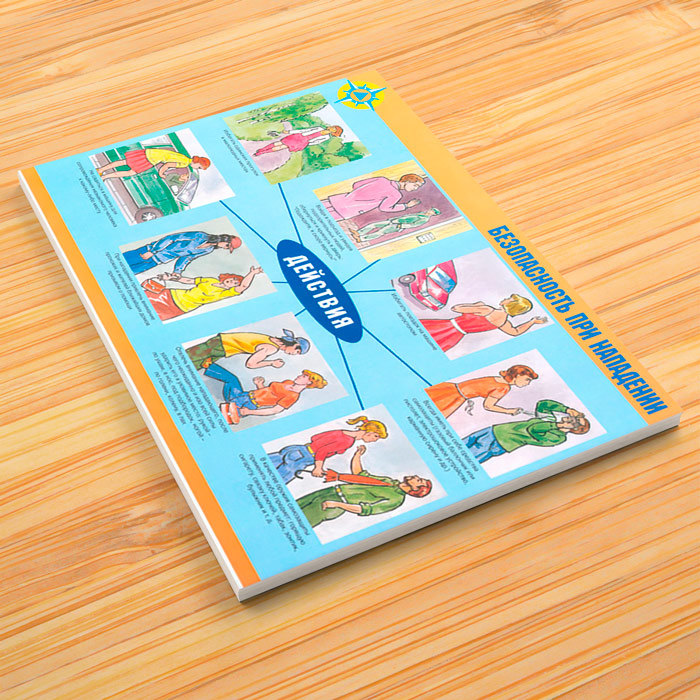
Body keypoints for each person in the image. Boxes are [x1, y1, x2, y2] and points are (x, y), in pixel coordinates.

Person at [296, 445, 432, 528]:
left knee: (299, 523)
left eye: (418, 480)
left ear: (415, 489)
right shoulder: (389, 481)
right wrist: (357, 455)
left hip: (334, 503)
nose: (416, 476)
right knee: (293, 508)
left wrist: (337, 504)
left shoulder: (396, 500)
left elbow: (365, 509)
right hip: (329, 491)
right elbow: (360, 475)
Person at [267, 415, 388, 484]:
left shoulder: (341, 432)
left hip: (297, 449)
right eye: (376, 436)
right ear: (369, 432)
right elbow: (322, 451)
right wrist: (318, 468)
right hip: (304, 458)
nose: (374, 440)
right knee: (275, 482)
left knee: (264, 464)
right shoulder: (348, 441)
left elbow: (315, 437)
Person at [463, 399, 590, 463]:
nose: (573, 419)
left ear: (575, 429)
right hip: (494, 430)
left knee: (465, 460)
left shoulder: (558, 437)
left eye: (576, 421)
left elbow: (533, 430)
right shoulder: (551, 418)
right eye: (576, 418)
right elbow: (543, 404)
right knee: (458, 445)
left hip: (500, 443)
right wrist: (567, 409)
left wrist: (557, 426)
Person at [420, 294, 547, 352]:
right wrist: (532, 322)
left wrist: (476, 305)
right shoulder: (503, 322)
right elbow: (516, 332)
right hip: (455, 336)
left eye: (509, 299)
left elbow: (456, 308)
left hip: (446, 327)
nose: (506, 298)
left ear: (512, 305)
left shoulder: (487, 309)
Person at [141, 267, 261, 321]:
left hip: (180, 307)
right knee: (140, 300)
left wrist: (252, 273)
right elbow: (189, 281)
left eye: (235, 283)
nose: (232, 282)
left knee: (148, 317)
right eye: (233, 279)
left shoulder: (225, 293)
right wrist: (170, 278)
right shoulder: (211, 280)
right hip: (170, 295)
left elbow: (243, 286)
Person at [213, 367, 327, 424]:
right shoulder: (288, 382)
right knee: (231, 379)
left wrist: (249, 412)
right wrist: (260, 385)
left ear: (309, 383)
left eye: (304, 377)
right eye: (302, 375)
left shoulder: (293, 396)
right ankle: (207, 364)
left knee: (220, 415)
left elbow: (274, 410)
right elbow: (268, 393)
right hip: (244, 395)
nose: (299, 376)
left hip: (248, 404)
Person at [427, 365, 538, 418]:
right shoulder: (504, 388)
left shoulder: (497, 379)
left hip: (449, 388)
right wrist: (509, 411)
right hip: (453, 398)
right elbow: (488, 406)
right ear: (517, 376)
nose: (527, 383)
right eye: (527, 379)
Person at [185, 328, 310, 371]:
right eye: (297, 351)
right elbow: (250, 364)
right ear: (294, 344)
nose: (294, 354)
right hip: (220, 346)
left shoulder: (272, 340)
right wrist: (271, 363)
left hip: (223, 347)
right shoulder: (272, 348)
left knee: (192, 365)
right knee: (186, 359)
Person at [123, 232, 242, 275]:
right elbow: (172, 238)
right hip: (149, 252)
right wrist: (152, 251)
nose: (225, 248)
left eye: (228, 248)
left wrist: (177, 271)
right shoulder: (200, 236)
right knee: (121, 263)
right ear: (224, 239)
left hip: (156, 261)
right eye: (227, 246)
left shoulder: (208, 250)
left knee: (129, 273)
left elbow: (187, 258)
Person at [322, 173, 425, 221]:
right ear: (407, 181)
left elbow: (356, 185)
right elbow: (384, 208)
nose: (415, 188)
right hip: (348, 210)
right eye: (415, 185)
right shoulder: (396, 195)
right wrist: (406, 206)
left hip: (340, 200)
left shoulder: (382, 179)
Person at [97, 148, 211, 180]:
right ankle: (105, 176)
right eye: (199, 167)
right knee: (130, 172)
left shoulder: (184, 158)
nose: (197, 168)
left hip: (150, 153)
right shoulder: (184, 163)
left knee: (124, 162)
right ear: (198, 163)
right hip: (152, 159)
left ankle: (101, 170)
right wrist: (161, 174)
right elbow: (166, 165)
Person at [349, 208, 441, 243]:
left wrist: (402, 225)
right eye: (431, 210)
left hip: (398, 225)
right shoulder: (421, 213)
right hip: (394, 221)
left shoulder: (424, 219)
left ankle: (362, 239)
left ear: (433, 214)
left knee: (380, 232)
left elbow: (413, 225)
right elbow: (406, 216)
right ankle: (359, 233)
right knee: (373, 225)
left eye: (432, 212)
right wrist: (395, 219)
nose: (430, 211)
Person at [253, 122, 343, 156]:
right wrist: (289, 132)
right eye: (333, 127)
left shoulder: (326, 137)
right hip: (299, 136)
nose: (332, 129)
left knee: (282, 147)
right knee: (278, 143)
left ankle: (262, 152)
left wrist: (307, 144)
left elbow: (316, 142)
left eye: (334, 130)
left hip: (303, 142)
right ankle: (262, 149)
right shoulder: (319, 128)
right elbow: (304, 130)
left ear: (334, 133)